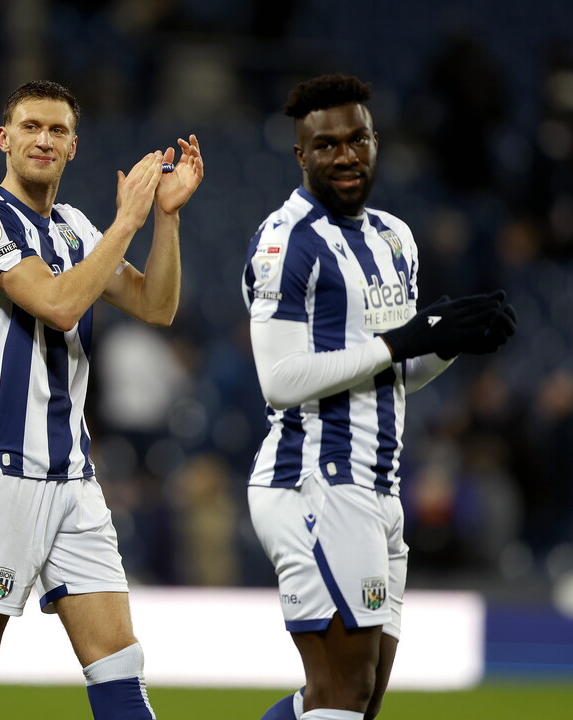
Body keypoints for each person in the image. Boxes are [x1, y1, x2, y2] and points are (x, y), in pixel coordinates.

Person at [0, 80, 203, 720]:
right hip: (0, 468)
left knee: (119, 659)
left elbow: (158, 305)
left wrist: (166, 218)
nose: (44, 139)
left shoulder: (73, 227)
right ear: (3, 139)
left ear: (74, 146)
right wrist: (127, 222)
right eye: (31, 126)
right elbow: (61, 305)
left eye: (58, 130)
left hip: (74, 474)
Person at [241, 74, 516, 720]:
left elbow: (394, 371)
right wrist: (404, 340)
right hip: (313, 479)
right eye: (326, 144)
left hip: (377, 487)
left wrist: (447, 344)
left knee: (356, 703)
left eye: (357, 138)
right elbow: (279, 382)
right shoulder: (287, 243)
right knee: (342, 693)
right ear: (300, 156)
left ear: (375, 141)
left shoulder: (395, 238)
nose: (346, 155)